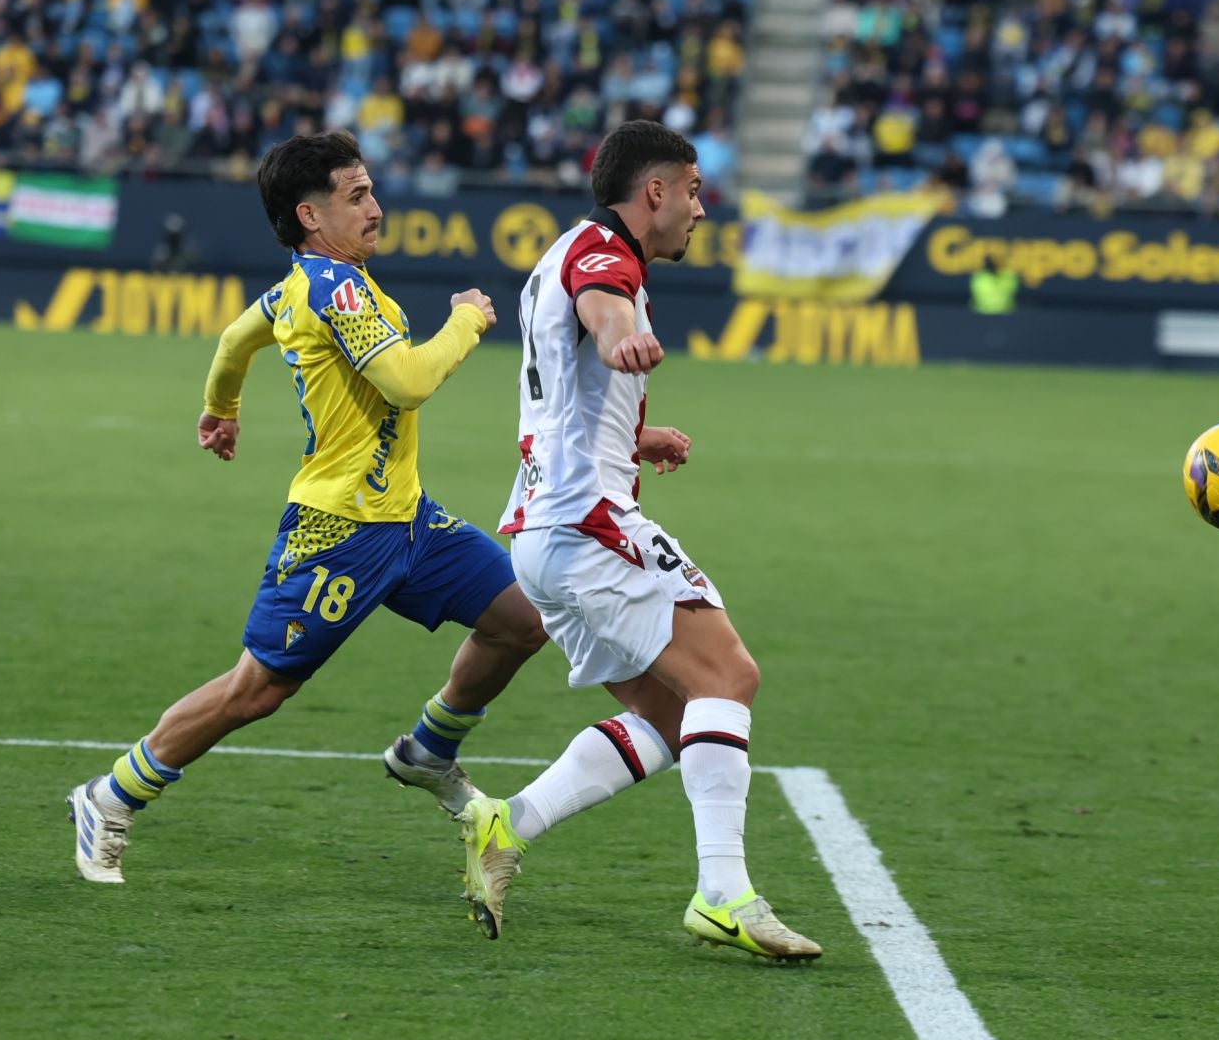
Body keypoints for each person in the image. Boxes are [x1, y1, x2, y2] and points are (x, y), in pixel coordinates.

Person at [66, 130, 551, 884]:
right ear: (310, 214)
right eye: (357, 196)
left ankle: (429, 749)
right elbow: (408, 381)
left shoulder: (302, 285)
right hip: (340, 532)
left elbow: (235, 337)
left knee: (522, 621)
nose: (377, 209)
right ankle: (112, 794)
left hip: (409, 520)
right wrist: (467, 320)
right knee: (256, 691)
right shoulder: (337, 289)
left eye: (371, 191)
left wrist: (221, 406)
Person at [459, 120, 822, 962]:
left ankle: (507, 827)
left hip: (545, 531)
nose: (700, 210)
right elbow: (604, 303)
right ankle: (723, 894)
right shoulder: (602, 257)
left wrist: (635, 439)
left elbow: (567, 396)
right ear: (654, 191)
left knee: (672, 710)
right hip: (589, 530)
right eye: (693, 191)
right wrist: (623, 331)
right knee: (729, 676)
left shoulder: (565, 250)